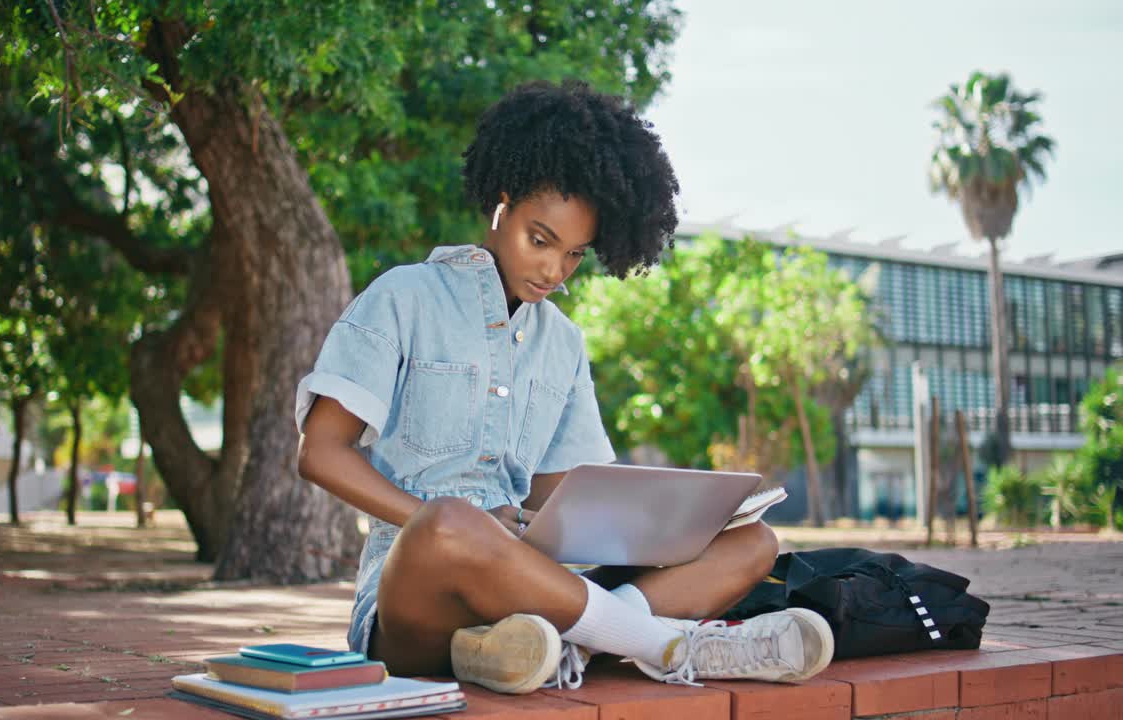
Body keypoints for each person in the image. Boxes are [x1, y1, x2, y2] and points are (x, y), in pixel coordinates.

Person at [295, 80, 834, 695]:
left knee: (752, 543)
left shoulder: (564, 344)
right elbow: (320, 452)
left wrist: (673, 522)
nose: (554, 270)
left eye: (575, 254)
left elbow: (562, 501)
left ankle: (547, 649)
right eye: (540, 240)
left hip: (536, 590)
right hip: (416, 594)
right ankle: (663, 644)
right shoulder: (404, 297)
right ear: (502, 203)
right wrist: (454, 523)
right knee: (452, 522)